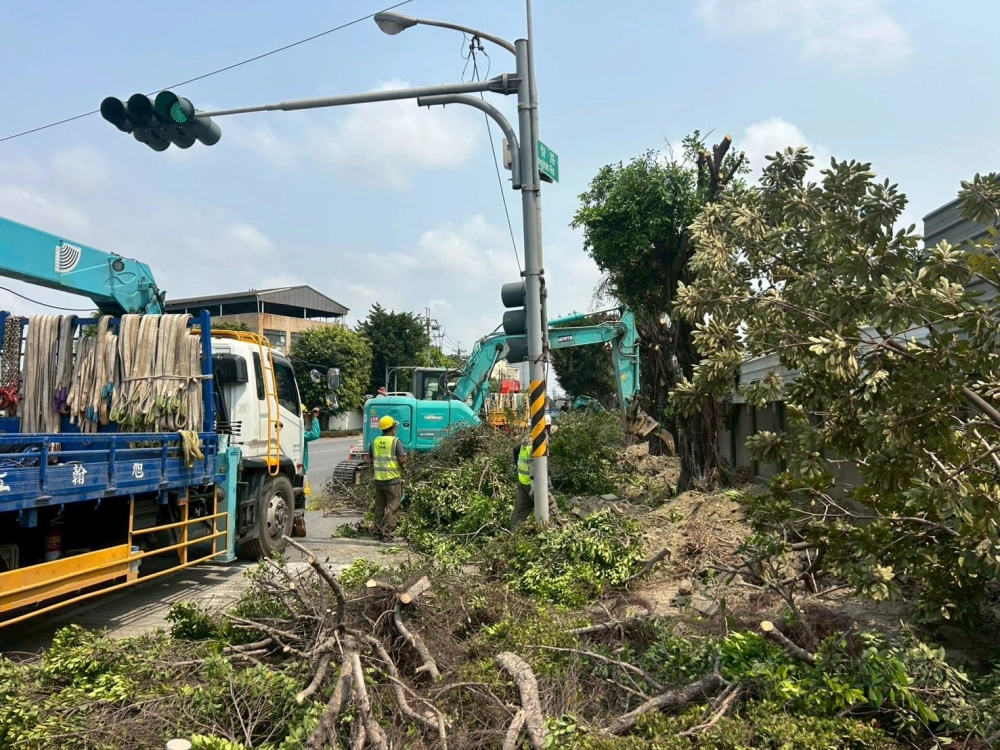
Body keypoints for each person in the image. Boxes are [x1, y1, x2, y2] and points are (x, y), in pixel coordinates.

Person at [510, 423, 559, 529]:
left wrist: (519, 468)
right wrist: (544, 488)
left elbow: (516, 450)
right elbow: (536, 467)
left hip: (523, 481)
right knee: (551, 508)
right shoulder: (539, 442)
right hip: (533, 483)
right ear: (546, 428)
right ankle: (552, 533)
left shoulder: (529, 438)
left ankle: (513, 534)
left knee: (519, 514)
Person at [368, 415, 407, 541]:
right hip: (392, 481)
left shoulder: (375, 442)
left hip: (379, 480)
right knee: (392, 507)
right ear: (392, 429)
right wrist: (404, 464)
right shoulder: (396, 441)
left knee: (379, 506)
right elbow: (402, 459)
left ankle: (377, 532)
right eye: (395, 427)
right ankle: (387, 533)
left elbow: (370, 459)